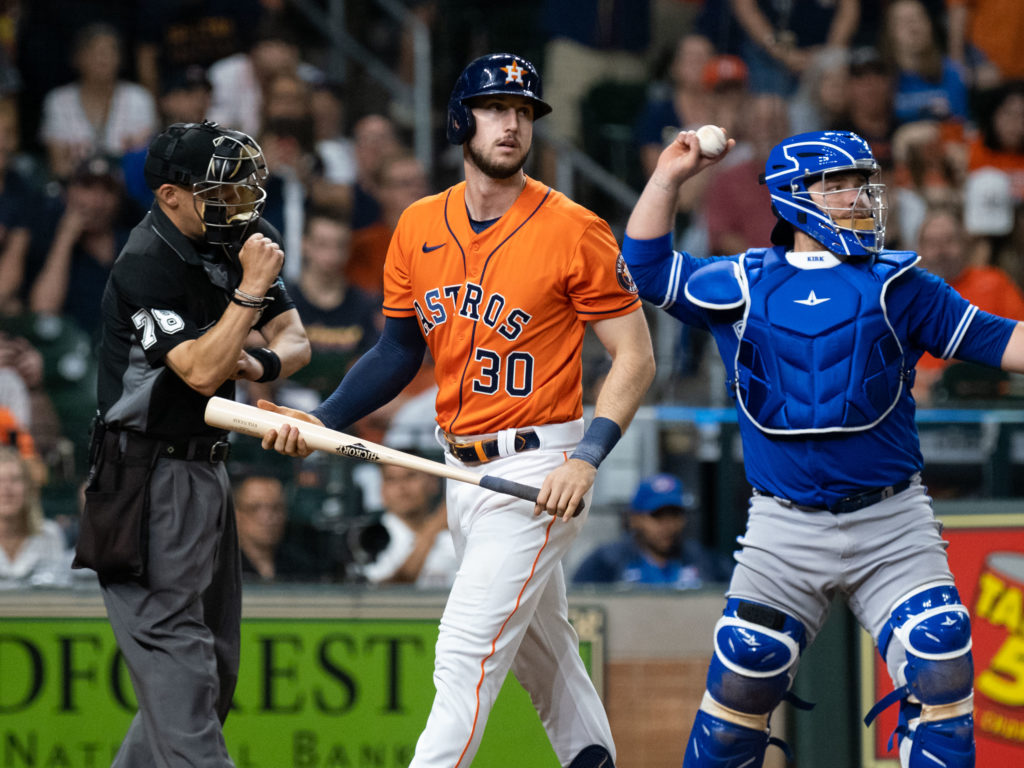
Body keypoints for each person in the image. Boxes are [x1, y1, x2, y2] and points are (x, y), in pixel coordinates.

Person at [259, 53, 655, 768]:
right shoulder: (416, 225)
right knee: (546, 657)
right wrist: (327, 418)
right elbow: (396, 351)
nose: (512, 123)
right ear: (458, 119)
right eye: (496, 107)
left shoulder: (575, 227)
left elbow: (636, 356)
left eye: (525, 111)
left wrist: (589, 457)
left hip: (540, 469)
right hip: (458, 469)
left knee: (465, 653)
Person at [622, 126, 1024, 766]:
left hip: (892, 521)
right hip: (784, 525)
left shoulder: (900, 284)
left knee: (941, 656)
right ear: (792, 197)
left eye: (860, 182)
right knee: (740, 688)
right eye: (837, 184)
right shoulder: (743, 282)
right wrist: (670, 175)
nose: (859, 195)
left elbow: (1007, 343)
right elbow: (643, 269)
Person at [75, 120, 310, 767]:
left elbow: (296, 341)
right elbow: (202, 371)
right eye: (221, 191)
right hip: (144, 477)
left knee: (214, 669)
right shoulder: (147, 260)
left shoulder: (240, 236)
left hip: (208, 472)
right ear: (171, 195)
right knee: (183, 673)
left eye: (243, 190)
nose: (239, 205)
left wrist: (257, 365)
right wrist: (248, 296)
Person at [38, 23, 158, 181]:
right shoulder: (58, 101)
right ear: (78, 57)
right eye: (95, 52)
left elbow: (145, 163)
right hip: (76, 191)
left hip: (129, 194)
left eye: (110, 52)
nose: (103, 59)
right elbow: (59, 167)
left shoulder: (139, 98)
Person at [573, 473, 732, 589]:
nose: (668, 525)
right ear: (635, 519)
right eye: (658, 515)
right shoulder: (606, 562)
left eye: (675, 515)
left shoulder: (704, 561)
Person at [360, 462, 457, 588]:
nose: (402, 487)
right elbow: (380, 594)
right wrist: (433, 530)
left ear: (433, 483)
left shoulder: (458, 533)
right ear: (381, 490)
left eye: (410, 476)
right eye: (391, 479)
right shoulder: (369, 537)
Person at [234, 473, 326, 582]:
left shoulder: (303, 566)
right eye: (255, 508)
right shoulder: (220, 567)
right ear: (236, 515)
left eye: (276, 508)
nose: (267, 517)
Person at [0, 445, 69, 588]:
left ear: (29, 488)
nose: (7, 488)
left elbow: (61, 592)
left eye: (15, 480)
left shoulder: (50, 534)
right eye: (0, 480)